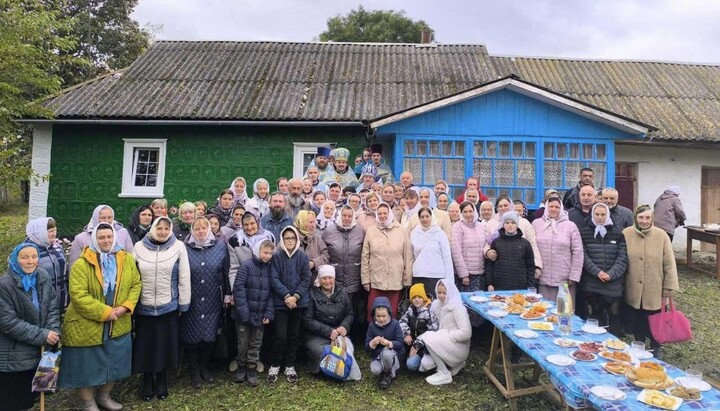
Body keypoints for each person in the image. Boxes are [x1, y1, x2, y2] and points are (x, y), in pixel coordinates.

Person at [58, 223, 141, 411]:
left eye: (109, 237)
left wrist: (125, 307)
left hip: (119, 321)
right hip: (87, 323)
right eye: (102, 237)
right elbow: (78, 295)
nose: (106, 241)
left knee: (115, 362)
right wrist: (105, 312)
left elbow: (136, 284)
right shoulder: (82, 263)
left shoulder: (126, 259)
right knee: (86, 367)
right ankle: (88, 403)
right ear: (95, 239)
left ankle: (104, 396)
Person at [132, 217, 191, 401]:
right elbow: (133, 278)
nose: (163, 231)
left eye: (167, 228)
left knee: (165, 344)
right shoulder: (139, 248)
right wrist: (131, 305)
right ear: (153, 228)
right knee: (145, 345)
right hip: (144, 306)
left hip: (168, 306)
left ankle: (162, 378)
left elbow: (184, 276)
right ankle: (147, 379)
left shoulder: (178, 247)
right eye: (160, 228)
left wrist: (183, 302)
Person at [0, 243, 61, 411]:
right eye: (24, 257)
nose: (30, 261)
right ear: (14, 260)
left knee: (32, 400)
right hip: (14, 358)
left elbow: (53, 307)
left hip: (42, 353)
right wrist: (43, 334)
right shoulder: (4, 285)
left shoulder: (43, 276)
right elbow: (8, 323)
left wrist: (53, 330)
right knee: (12, 403)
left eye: (34, 257)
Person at [623, 205, 679, 359]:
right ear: (636, 218)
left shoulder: (662, 236)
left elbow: (669, 262)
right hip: (633, 286)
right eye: (641, 217)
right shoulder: (626, 234)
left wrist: (669, 286)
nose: (644, 221)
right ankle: (639, 343)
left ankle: (655, 347)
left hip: (655, 286)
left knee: (655, 319)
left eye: (647, 218)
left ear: (652, 219)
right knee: (637, 318)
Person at [181, 217, 230, 388]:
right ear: (192, 230)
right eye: (197, 228)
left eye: (204, 228)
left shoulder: (220, 247)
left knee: (209, 337)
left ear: (209, 229)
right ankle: (194, 371)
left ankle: (204, 367)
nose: (201, 231)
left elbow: (226, 272)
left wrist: (228, 295)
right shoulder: (184, 248)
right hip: (192, 299)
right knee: (191, 338)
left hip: (213, 299)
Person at [268, 226, 312, 384]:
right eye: (287, 238)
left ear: (297, 240)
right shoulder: (277, 256)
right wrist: (286, 296)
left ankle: (290, 365)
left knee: (294, 335)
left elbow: (306, 278)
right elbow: (274, 278)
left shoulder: (302, 256)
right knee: (280, 335)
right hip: (281, 303)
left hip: (298, 304)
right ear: (282, 239)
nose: (290, 241)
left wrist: (296, 297)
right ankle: (275, 364)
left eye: (292, 238)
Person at [303, 265, 360, 379]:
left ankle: (343, 372)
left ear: (334, 278)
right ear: (319, 279)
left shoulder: (342, 292)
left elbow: (349, 314)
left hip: (338, 333)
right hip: (316, 335)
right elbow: (307, 320)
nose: (327, 281)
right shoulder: (312, 294)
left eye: (330, 278)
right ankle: (327, 372)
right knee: (324, 352)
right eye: (324, 278)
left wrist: (344, 326)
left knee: (347, 350)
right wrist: (328, 331)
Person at [579, 203, 628, 336]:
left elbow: (622, 257)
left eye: (603, 214)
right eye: (597, 214)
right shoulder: (584, 232)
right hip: (593, 281)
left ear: (608, 215)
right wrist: (597, 272)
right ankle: (596, 343)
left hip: (613, 282)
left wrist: (611, 274)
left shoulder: (618, 233)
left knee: (614, 313)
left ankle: (614, 342)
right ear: (592, 215)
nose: (600, 217)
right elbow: (583, 256)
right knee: (596, 313)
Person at [233, 239, 276, 387]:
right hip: (244, 315)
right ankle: (241, 367)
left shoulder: (270, 268)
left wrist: (269, 313)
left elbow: (271, 293)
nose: (268, 256)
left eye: (270, 253)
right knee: (243, 343)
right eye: (265, 252)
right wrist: (243, 313)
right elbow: (238, 289)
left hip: (260, 314)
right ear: (258, 251)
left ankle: (252, 368)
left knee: (255, 343)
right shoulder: (246, 266)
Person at [322, 205, 367, 339]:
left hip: (354, 276)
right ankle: (335, 336)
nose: (347, 218)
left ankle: (352, 338)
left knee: (352, 309)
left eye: (349, 216)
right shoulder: (329, 231)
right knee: (336, 308)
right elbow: (324, 251)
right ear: (339, 216)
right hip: (335, 278)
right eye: (344, 216)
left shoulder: (360, 230)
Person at [415, 280, 471, 385]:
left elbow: (466, 333)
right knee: (425, 363)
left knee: (428, 337)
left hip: (458, 345)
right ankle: (456, 364)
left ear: (450, 292)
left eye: (444, 293)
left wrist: (447, 335)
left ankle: (444, 373)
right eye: (439, 292)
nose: (441, 296)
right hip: (444, 342)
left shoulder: (458, 308)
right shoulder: (437, 305)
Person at [362, 203, 413, 319]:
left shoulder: (401, 230)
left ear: (390, 214)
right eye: (379, 213)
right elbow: (365, 257)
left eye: (385, 213)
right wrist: (365, 280)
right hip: (376, 280)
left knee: (393, 313)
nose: (382, 216)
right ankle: (374, 336)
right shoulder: (371, 231)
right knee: (374, 313)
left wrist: (407, 279)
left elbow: (408, 256)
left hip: (396, 280)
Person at [532, 197, 583, 302]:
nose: (554, 209)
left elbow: (578, 251)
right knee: (543, 311)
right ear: (546, 208)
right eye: (551, 206)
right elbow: (532, 247)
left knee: (563, 312)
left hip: (564, 279)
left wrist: (574, 275)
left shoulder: (570, 226)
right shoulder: (536, 224)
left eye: (557, 207)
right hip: (543, 277)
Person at [484, 195, 542, 273]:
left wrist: (537, 265)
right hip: (499, 267)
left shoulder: (524, 222)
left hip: (520, 267)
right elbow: (485, 243)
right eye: (500, 206)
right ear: (497, 208)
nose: (503, 208)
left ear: (511, 205)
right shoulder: (491, 223)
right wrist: (487, 251)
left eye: (505, 205)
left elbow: (533, 244)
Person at [25, 217, 69, 310]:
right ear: (39, 232)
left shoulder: (57, 247)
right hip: (39, 304)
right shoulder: (27, 250)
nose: (54, 234)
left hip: (60, 300)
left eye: (55, 230)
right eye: (50, 231)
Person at [69, 205, 135, 267]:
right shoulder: (80, 238)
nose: (106, 221)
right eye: (102, 218)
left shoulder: (123, 233)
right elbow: (74, 265)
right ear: (95, 218)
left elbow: (131, 258)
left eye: (109, 217)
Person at [486, 212, 536, 292]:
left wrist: (530, 286)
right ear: (503, 224)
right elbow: (490, 265)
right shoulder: (496, 242)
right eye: (507, 222)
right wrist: (490, 283)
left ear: (517, 225)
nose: (510, 225)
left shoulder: (525, 243)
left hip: (520, 286)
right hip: (499, 286)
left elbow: (530, 267)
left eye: (513, 223)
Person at [410, 207, 454, 295]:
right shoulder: (414, 232)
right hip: (419, 275)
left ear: (432, 216)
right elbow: (412, 255)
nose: (425, 219)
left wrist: (449, 281)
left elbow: (447, 258)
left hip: (436, 276)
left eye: (427, 216)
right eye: (422, 217)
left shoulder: (440, 233)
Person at [365, 296, 405, 389]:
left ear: (389, 314)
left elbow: (400, 343)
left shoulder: (395, 324)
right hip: (378, 355)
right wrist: (373, 343)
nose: (381, 319)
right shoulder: (371, 325)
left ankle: (388, 373)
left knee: (387, 353)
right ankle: (384, 369)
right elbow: (366, 346)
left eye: (384, 316)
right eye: (378, 316)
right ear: (374, 315)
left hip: (392, 354)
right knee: (375, 370)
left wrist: (388, 343)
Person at [228, 213, 275, 288]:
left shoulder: (268, 237)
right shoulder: (234, 241)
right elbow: (234, 269)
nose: (249, 227)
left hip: (265, 284)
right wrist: (235, 290)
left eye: (252, 223)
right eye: (246, 224)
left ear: (257, 223)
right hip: (245, 284)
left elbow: (273, 264)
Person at [401, 284, 438, 371]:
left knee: (411, 364)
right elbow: (402, 321)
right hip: (411, 341)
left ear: (424, 297)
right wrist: (406, 334)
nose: (417, 300)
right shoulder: (410, 309)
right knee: (401, 355)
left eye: (419, 297)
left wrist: (417, 345)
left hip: (424, 345)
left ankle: (426, 361)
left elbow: (432, 331)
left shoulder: (429, 311)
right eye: (414, 297)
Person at [452, 202, 487, 292]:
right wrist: (463, 274)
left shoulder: (480, 226)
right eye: (465, 212)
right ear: (461, 213)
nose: (468, 214)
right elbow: (456, 252)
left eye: (470, 211)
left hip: (481, 273)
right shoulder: (457, 227)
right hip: (467, 276)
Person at [293, 211, 329, 282]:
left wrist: (314, 263)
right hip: (293, 283)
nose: (313, 225)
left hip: (313, 283)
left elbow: (326, 256)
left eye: (314, 222)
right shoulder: (290, 237)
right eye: (310, 222)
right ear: (301, 222)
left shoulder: (317, 239)